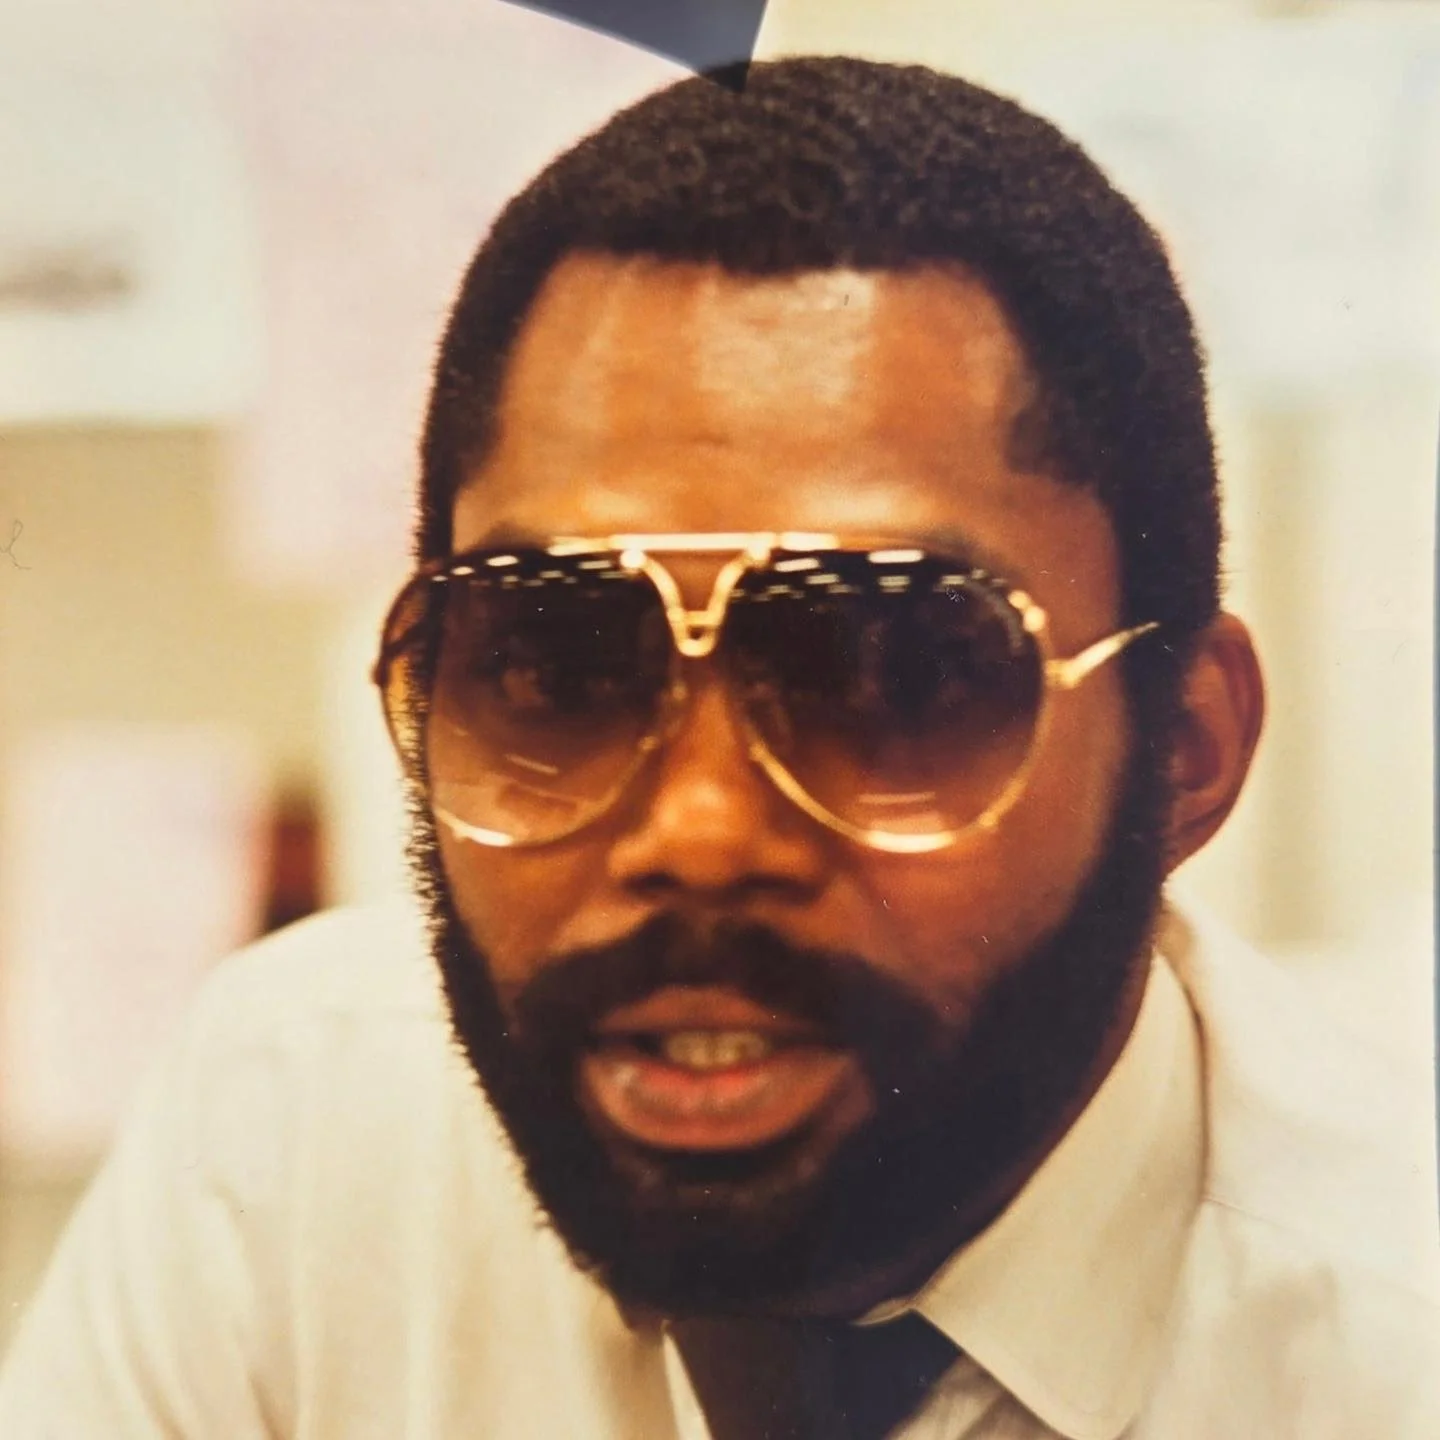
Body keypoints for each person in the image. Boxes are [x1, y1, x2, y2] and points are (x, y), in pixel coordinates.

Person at [1, 56, 1436, 1440]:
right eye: (555, 666)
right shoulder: (299, 1145)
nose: (693, 829)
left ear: (1185, 750)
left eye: (891, 675)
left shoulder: (1393, 1342)